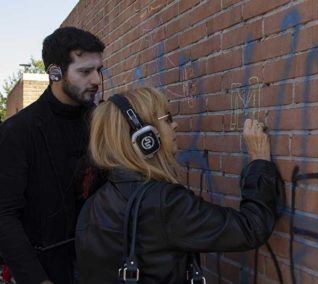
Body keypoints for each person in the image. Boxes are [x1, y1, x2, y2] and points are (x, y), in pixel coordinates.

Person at [76, 87, 280, 283]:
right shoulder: (165, 202)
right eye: (167, 119)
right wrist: (259, 161)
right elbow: (251, 228)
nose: (175, 125)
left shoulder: (93, 204)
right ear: (145, 137)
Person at [0, 27, 105, 284]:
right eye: (84, 72)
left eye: (98, 70)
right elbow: (4, 214)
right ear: (55, 72)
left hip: (100, 267)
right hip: (45, 270)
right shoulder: (18, 131)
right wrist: (36, 279)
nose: (96, 81)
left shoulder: (102, 123)